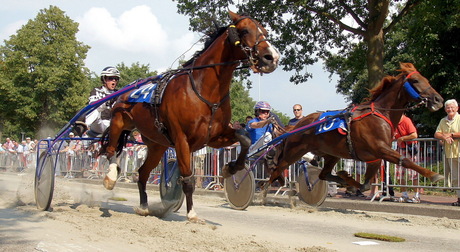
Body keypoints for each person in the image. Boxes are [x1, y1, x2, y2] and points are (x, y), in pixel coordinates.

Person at [75, 66, 120, 137]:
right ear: (104, 79)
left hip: (112, 124)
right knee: (94, 110)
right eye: (111, 78)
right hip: (98, 123)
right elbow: (93, 105)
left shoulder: (119, 93)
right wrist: (108, 102)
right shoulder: (96, 91)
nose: (114, 81)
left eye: (116, 79)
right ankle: (82, 127)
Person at [434, 99, 460, 206]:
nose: (450, 109)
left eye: (452, 107)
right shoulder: (443, 121)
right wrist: (444, 136)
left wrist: (452, 135)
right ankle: (459, 198)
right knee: (455, 178)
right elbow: (436, 134)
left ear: (457, 108)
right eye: (448, 107)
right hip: (450, 153)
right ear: (445, 109)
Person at [394, 114, 421, 203]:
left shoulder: (406, 120)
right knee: (398, 173)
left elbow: (414, 135)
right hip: (400, 149)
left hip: (410, 149)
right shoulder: (394, 122)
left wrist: (403, 138)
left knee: (413, 174)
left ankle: (417, 195)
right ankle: (404, 194)